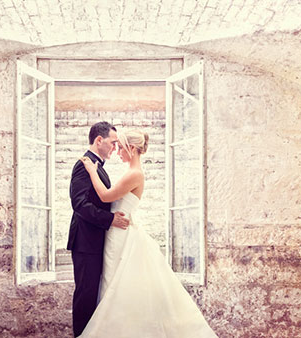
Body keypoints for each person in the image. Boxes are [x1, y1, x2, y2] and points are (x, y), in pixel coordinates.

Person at [78, 129, 217, 338]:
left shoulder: (135, 174)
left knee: (119, 287)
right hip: (117, 233)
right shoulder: (131, 173)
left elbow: (106, 197)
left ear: (132, 149)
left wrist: (91, 171)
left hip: (122, 238)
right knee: (115, 286)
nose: (117, 152)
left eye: (121, 148)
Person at [67, 121, 131, 337]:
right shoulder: (83, 164)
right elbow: (80, 205)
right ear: (99, 140)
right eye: (113, 143)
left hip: (95, 241)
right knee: (86, 295)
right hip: (85, 243)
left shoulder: (96, 166)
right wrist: (110, 219)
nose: (115, 147)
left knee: (94, 295)